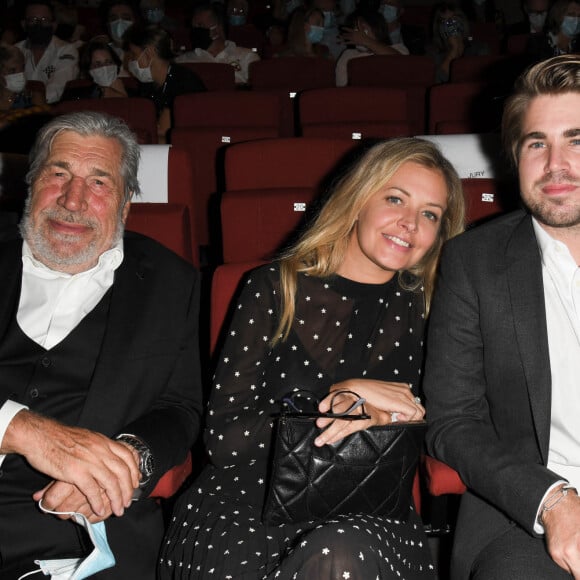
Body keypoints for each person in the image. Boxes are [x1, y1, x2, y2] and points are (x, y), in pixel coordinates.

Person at [159, 136, 465, 579]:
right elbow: (225, 439)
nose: (410, 223)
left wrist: (398, 417)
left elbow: (450, 427)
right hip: (246, 498)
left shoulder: (436, 306)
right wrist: (341, 396)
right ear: (359, 199)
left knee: (339, 556)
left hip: (370, 510)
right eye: (395, 198)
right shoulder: (272, 287)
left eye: (430, 214)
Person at [0, 110, 203, 579]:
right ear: (30, 185)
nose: (73, 201)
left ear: (127, 203)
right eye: (58, 174)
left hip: (81, 533)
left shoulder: (172, 283)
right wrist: (21, 429)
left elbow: (180, 409)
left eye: (99, 183)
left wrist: (127, 460)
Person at [423, 54, 580, 579]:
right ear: (514, 156)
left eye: (577, 140)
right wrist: (552, 502)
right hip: (528, 509)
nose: (556, 164)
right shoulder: (474, 261)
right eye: (537, 143)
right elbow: (452, 421)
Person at [124, 25, 205, 142]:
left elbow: (162, 133)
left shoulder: (183, 82)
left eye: (133, 54)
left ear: (149, 53)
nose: (130, 60)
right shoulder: (147, 84)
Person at [176, 2, 260, 85]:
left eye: (200, 26)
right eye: (194, 27)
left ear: (218, 29)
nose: (195, 31)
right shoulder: (183, 61)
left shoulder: (247, 57)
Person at [15, 0, 79, 104]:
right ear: (23, 24)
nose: (39, 24)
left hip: (51, 111)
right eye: (33, 20)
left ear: (54, 25)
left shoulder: (66, 50)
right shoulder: (15, 51)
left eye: (44, 20)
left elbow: (59, 87)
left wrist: (29, 103)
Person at [335, 9, 408, 86]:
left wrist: (367, 41)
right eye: (354, 29)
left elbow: (402, 66)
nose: (358, 33)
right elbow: (342, 90)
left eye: (362, 28)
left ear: (377, 27)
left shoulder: (399, 48)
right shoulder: (348, 55)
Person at [427, 2, 489, 83]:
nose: (451, 26)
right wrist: (454, 50)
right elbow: (439, 80)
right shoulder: (432, 53)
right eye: (445, 22)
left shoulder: (480, 48)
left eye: (453, 20)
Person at [62, 39, 129, 101]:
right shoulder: (77, 94)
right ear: (88, 70)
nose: (104, 67)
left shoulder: (133, 89)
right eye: (97, 65)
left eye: (109, 62)